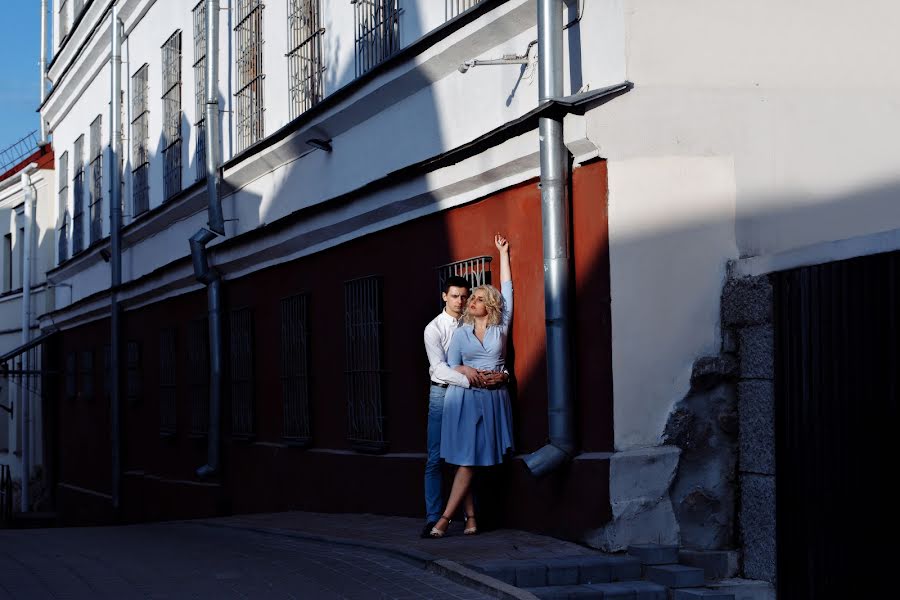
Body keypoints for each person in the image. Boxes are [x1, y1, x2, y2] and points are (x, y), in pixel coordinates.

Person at [430, 233, 512, 538]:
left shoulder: (501, 327)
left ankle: (468, 518)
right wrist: (465, 367)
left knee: (468, 461)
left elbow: (508, 290)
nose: (470, 302)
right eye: (469, 298)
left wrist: (502, 254)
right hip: (463, 399)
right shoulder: (461, 332)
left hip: (491, 400)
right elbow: (451, 364)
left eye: (476, 298)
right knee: (464, 461)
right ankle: (448, 519)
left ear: (488, 304)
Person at [421, 275, 476, 538]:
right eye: (454, 296)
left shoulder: (472, 322)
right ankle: (433, 518)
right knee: (435, 458)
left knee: (464, 457)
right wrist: (467, 379)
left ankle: (468, 517)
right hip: (442, 395)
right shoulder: (434, 328)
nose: (460, 301)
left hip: (467, 395)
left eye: (464, 296)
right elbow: (438, 368)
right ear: (445, 296)